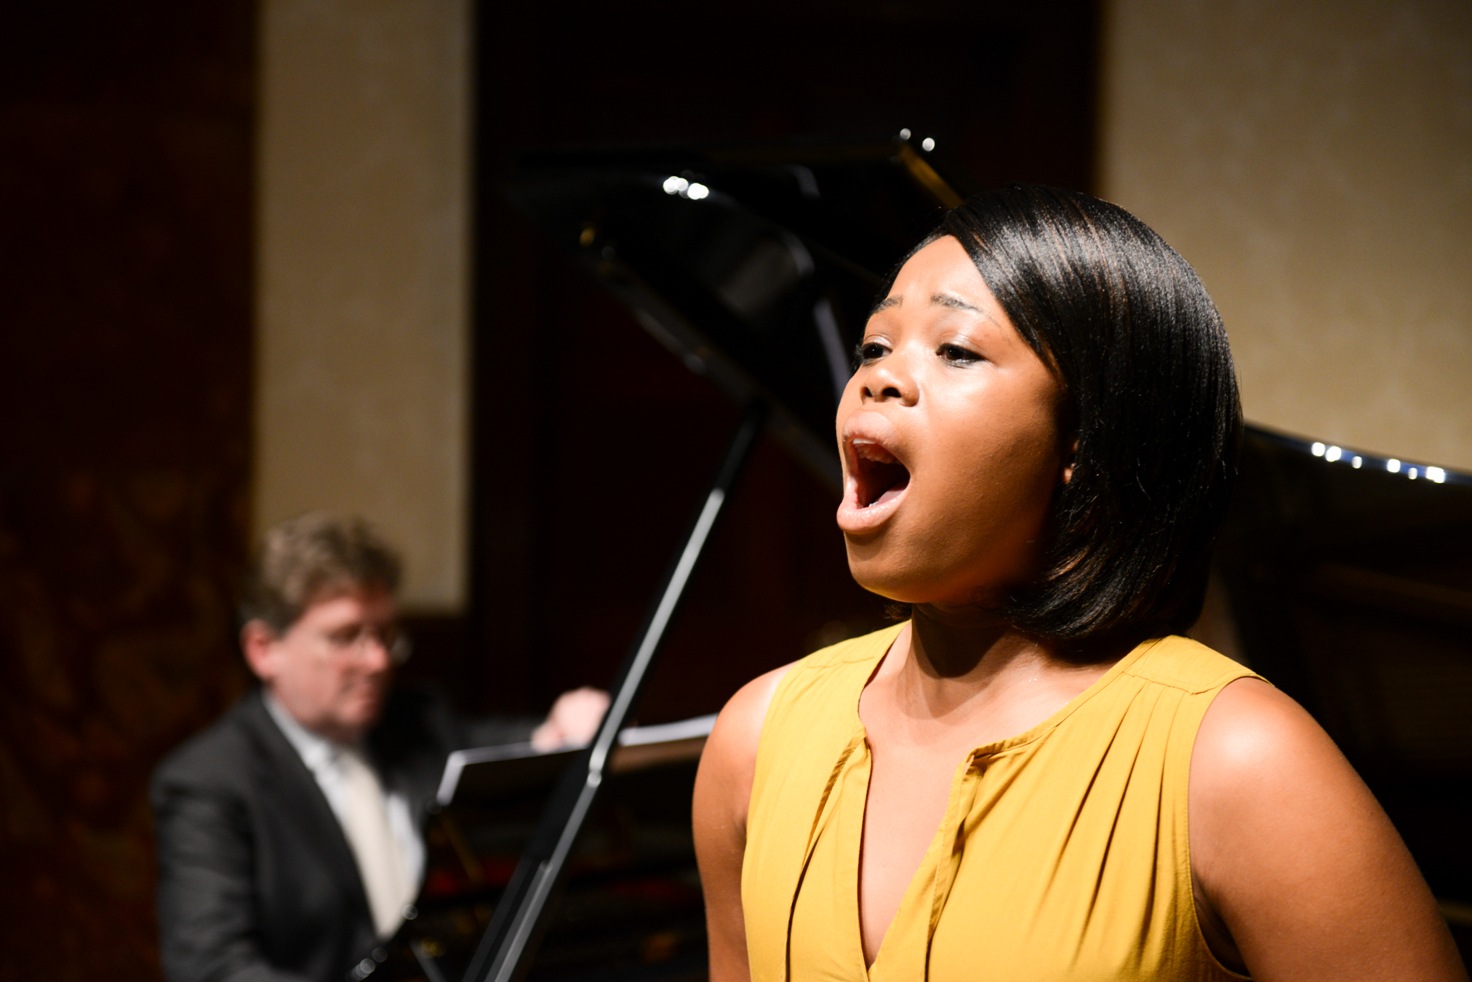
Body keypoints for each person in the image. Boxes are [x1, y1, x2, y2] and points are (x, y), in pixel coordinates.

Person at [692, 186, 1467, 981]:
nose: (881, 379)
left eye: (956, 350)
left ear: (1086, 442)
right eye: (874, 347)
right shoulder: (757, 737)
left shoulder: (1236, 760)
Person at [152, 512, 608, 982]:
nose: (376, 660)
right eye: (345, 637)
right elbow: (212, 969)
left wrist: (564, 726)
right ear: (264, 650)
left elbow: (504, 747)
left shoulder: (413, 722)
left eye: (384, 634)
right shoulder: (209, 782)